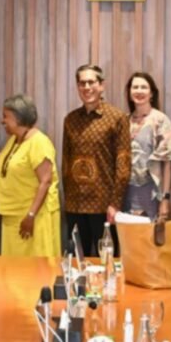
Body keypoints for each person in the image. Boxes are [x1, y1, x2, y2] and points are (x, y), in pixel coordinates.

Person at [62, 64, 131, 257]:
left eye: (91, 82)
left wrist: (115, 204)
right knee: (75, 261)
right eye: (82, 83)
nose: (86, 87)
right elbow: (66, 164)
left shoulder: (117, 118)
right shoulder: (70, 119)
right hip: (75, 205)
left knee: (107, 261)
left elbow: (124, 164)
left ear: (102, 86)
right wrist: (68, 202)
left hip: (104, 206)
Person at [0, 94, 60, 257]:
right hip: (12, 216)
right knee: (13, 272)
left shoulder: (39, 143)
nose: (2, 121)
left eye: (6, 116)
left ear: (18, 118)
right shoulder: (15, 140)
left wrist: (30, 216)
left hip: (32, 218)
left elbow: (45, 182)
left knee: (34, 271)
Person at [124, 72, 171, 220]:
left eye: (144, 87)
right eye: (135, 87)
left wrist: (165, 199)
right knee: (128, 239)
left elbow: (168, 163)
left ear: (151, 93)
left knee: (148, 239)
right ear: (129, 93)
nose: (139, 91)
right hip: (126, 192)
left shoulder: (160, 120)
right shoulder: (124, 121)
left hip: (151, 193)